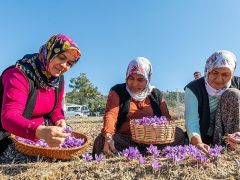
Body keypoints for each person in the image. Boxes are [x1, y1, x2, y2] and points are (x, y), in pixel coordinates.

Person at [0, 34, 81, 162]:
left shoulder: (57, 79)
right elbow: (9, 118)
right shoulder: (19, 74)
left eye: (70, 63)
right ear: (50, 52)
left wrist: (59, 119)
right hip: (13, 131)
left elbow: (56, 108)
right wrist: (41, 132)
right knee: (27, 159)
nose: (64, 66)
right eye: (61, 57)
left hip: (40, 130)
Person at [93, 57, 185, 156]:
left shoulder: (155, 94)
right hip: (126, 139)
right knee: (101, 140)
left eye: (140, 80)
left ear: (147, 79)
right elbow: (111, 114)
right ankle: (148, 153)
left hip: (155, 140)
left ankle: (140, 152)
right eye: (131, 78)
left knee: (178, 133)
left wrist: (161, 131)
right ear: (126, 76)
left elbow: (166, 117)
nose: (134, 84)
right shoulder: (118, 91)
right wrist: (108, 136)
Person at [185, 50, 240, 154]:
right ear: (207, 70)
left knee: (233, 94)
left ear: (232, 74)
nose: (219, 79)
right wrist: (197, 143)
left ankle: (234, 146)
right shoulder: (193, 89)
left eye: (225, 74)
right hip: (205, 137)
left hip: (233, 135)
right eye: (215, 72)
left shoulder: (237, 83)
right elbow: (191, 122)